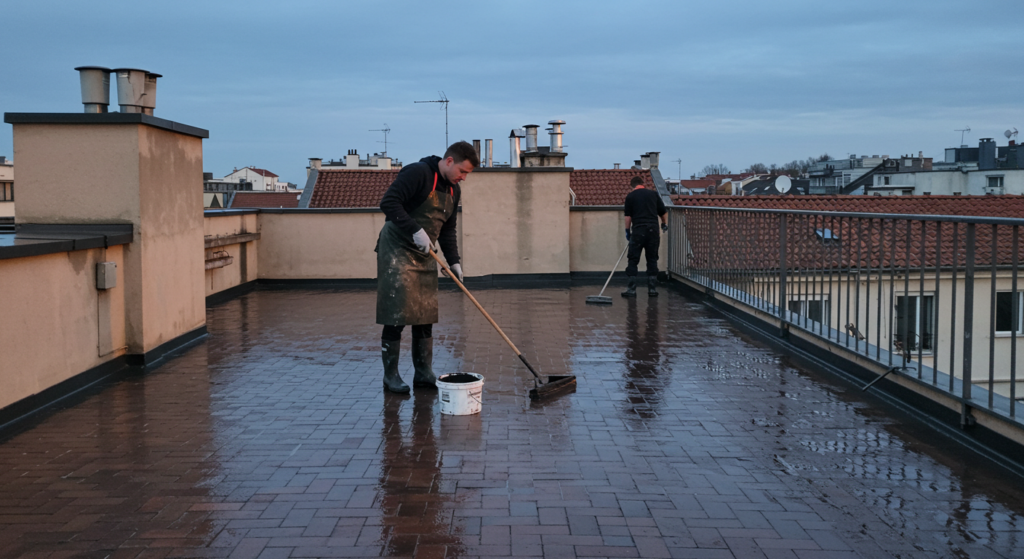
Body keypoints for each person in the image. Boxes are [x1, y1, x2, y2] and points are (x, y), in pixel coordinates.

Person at [376, 141, 479, 393]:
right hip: (397, 251)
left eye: (467, 174)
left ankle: (423, 374)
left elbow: (448, 228)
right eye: (462, 172)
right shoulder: (419, 173)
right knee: (397, 315)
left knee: (424, 316)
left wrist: (454, 261)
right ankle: (391, 377)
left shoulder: (454, 191)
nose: (463, 178)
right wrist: (415, 230)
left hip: (424, 254)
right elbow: (389, 202)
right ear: (449, 161)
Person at [621, 175, 668, 297]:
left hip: (638, 230)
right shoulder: (653, 195)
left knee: (633, 258)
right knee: (652, 258)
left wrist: (627, 231)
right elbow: (663, 212)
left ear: (632, 186)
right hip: (653, 231)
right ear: (643, 184)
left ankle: (631, 290)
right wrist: (664, 224)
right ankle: (652, 290)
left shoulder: (630, 196)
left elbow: (628, 217)